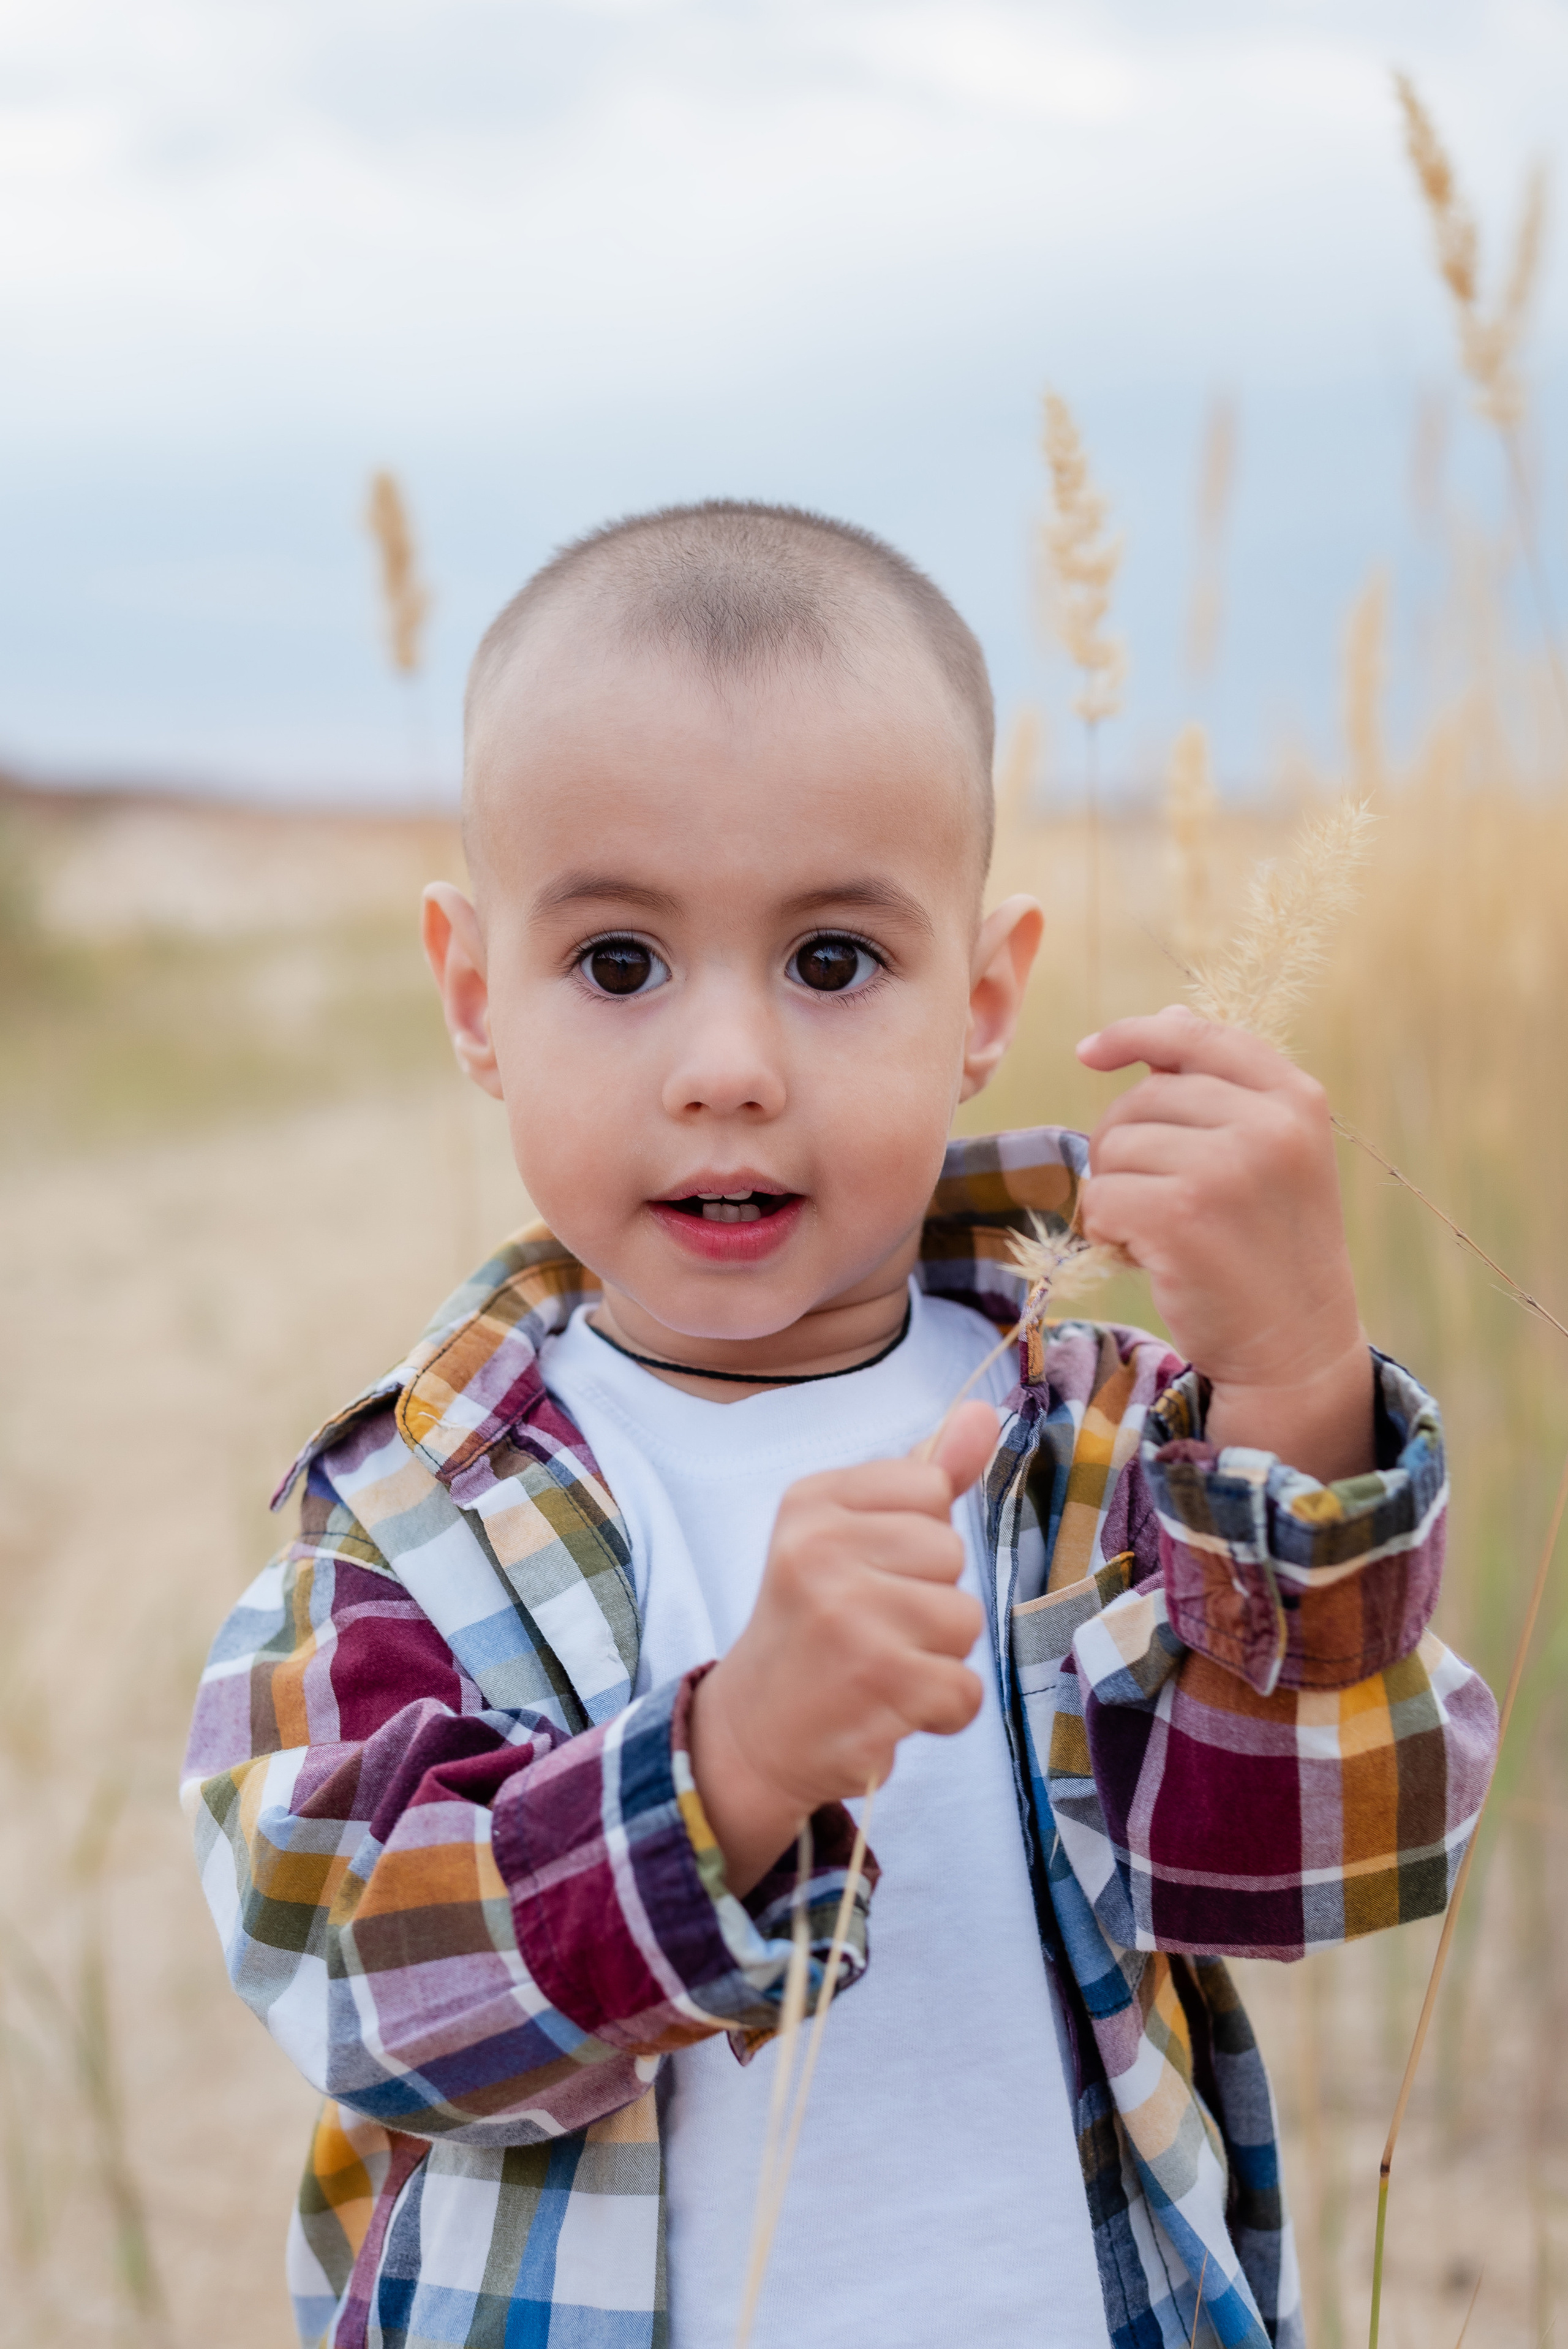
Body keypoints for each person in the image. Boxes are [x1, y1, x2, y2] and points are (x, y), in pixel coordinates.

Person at [183, 501, 1496, 2349]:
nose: (729, 1064)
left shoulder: (1097, 1445)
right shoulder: (421, 1507)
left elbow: (1316, 1855)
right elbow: (354, 1975)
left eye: (830, 961)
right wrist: (723, 1768)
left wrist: (1292, 1373)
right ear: (477, 995)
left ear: (983, 997)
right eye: (621, 964)